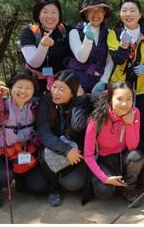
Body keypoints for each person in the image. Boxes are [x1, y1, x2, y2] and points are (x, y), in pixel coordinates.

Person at [0, 69, 47, 209]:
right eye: (19, 86)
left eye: (28, 88)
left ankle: (20, 180)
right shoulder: (0, 105)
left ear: (33, 91)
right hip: (1, 153)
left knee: (40, 187)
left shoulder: (34, 107)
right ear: (11, 87)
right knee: (2, 176)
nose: (23, 91)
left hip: (23, 152)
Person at [108, 0, 144, 151]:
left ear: (139, 14)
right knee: (118, 119)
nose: (128, 13)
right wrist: (124, 45)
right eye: (124, 10)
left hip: (141, 86)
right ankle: (119, 150)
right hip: (119, 86)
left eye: (132, 10)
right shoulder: (115, 33)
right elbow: (117, 59)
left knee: (139, 119)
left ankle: (140, 152)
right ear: (120, 14)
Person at [83, 81, 144, 206]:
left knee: (136, 156)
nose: (125, 104)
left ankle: (129, 190)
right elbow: (88, 155)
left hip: (124, 157)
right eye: (120, 99)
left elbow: (133, 146)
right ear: (110, 100)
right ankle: (112, 184)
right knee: (104, 191)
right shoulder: (96, 120)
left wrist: (129, 124)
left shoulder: (135, 113)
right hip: (105, 160)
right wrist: (105, 178)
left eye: (129, 99)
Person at [37, 70, 88, 206]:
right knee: (44, 155)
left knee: (73, 184)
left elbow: (78, 126)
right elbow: (44, 132)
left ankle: (65, 177)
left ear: (73, 92)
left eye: (62, 89)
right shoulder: (46, 100)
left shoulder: (80, 102)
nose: (56, 92)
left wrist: (79, 100)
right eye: (55, 86)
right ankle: (53, 190)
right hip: (57, 148)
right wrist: (65, 150)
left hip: (76, 152)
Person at [20, 0, 71, 93]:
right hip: (32, 83)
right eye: (45, 12)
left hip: (59, 83)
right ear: (38, 14)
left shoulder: (64, 31)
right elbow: (33, 62)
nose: (50, 16)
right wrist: (43, 45)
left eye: (54, 12)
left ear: (59, 14)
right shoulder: (29, 32)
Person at [67, 0, 114, 93]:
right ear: (85, 13)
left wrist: (103, 81)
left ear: (104, 13)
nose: (96, 14)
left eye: (100, 10)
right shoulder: (75, 32)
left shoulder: (109, 33)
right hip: (78, 82)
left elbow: (110, 60)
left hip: (100, 81)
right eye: (91, 10)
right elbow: (81, 58)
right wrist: (88, 39)